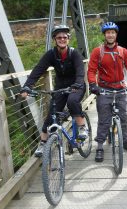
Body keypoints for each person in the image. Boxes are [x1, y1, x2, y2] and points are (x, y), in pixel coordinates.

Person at [20, 24, 87, 157]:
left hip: (76, 85)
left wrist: (78, 83)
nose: (62, 39)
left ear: (68, 38)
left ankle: (82, 127)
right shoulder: (51, 54)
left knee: (73, 101)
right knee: (51, 115)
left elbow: (80, 71)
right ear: (55, 39)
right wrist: (27, 86)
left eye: (65, 37)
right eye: (59, 37)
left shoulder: (74, 54)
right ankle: (43, 143)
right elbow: (38, 70)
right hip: (60, 87)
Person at [87, 21, 127, 162]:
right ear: (104, 35)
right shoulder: (98, 51)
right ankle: (99, 146)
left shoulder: (123, 51)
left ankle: (126, 141)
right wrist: (93, 84)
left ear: (116, 35)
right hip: (104, 88)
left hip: (120, 88)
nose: (110, 35)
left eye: (113, 32)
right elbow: (91, 70)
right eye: (108, 33)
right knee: (104, 120)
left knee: (123, 117)